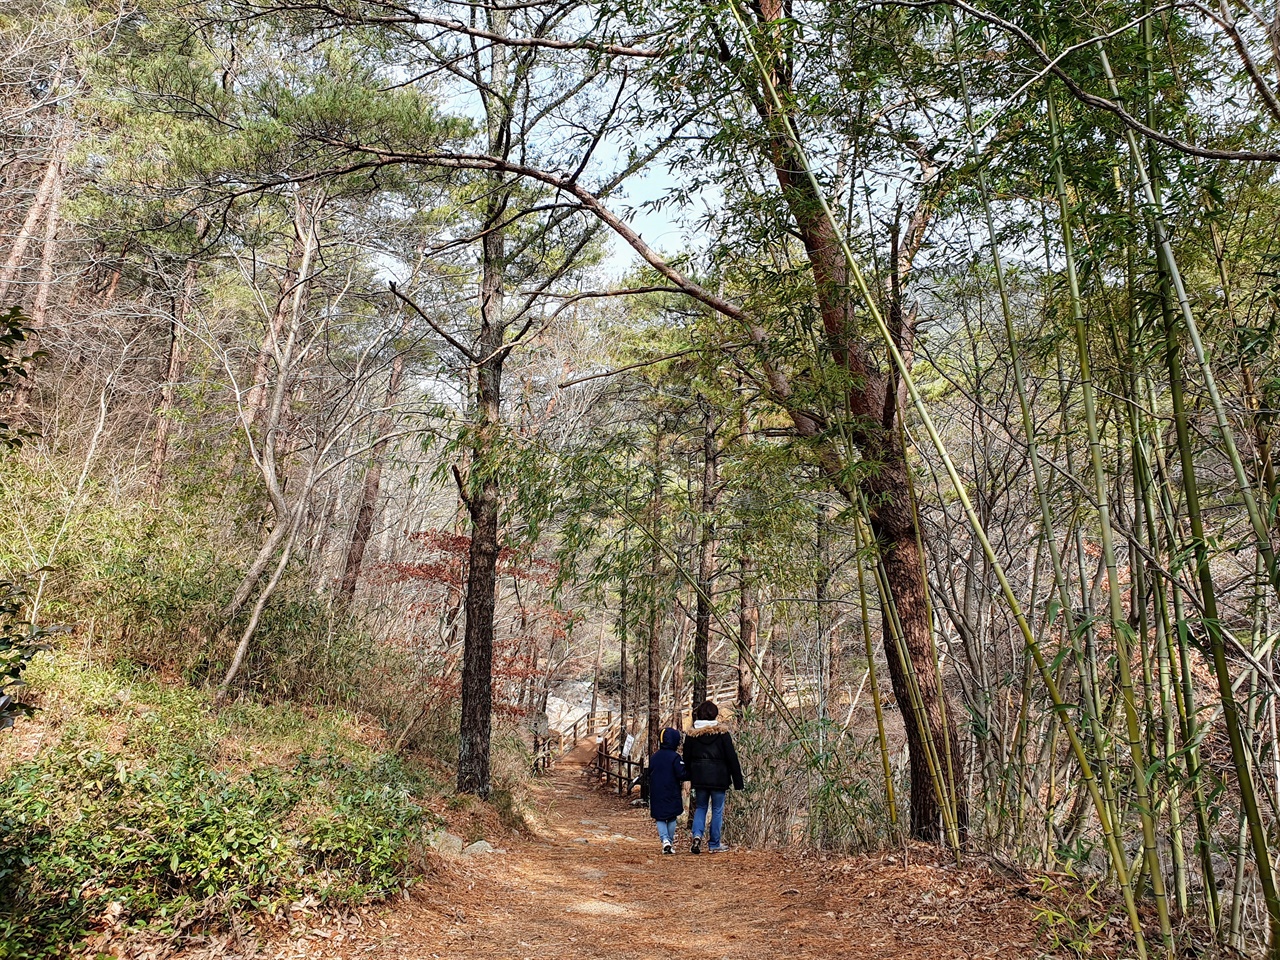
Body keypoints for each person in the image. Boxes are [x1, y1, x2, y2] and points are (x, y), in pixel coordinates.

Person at [683, 700, 744, 854]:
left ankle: (697, 836)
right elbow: (732, 757)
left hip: (700, 777)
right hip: (719, 777)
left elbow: (686, 757)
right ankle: (714, 843)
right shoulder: (722, 734)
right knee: (717, 809)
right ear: (715, 714)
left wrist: (689, 775)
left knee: (701, 807)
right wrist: (738, 781)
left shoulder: (691, 735)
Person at [647, 726, 688, 854]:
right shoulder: (675, 757)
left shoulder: (654, 757)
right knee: (671, 816)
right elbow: (681, 774)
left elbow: (649, 773)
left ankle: (664, 840)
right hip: (672, 791)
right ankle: (669, 841)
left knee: (660, 817)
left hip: (656, 791)